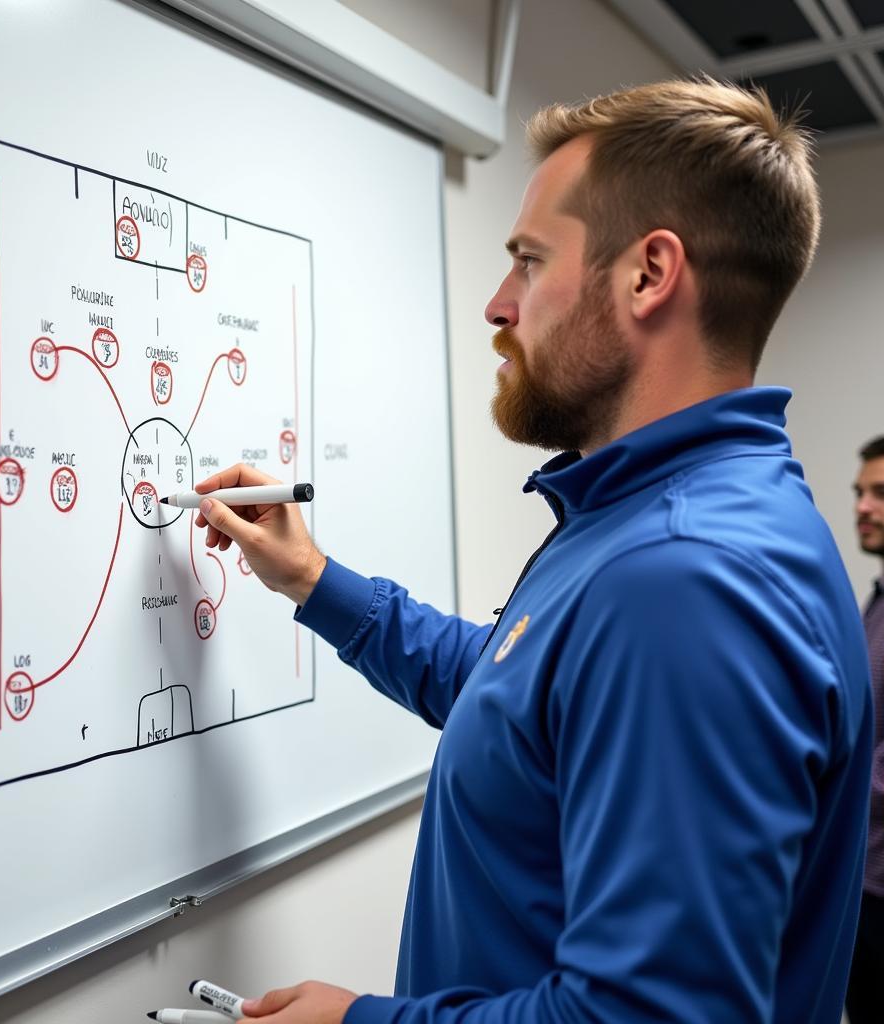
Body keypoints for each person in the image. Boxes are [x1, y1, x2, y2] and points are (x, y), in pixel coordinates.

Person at [194, 79, 872, 1023]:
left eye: (527, 261)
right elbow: (528, 701)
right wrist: (316, 582)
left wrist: (360, 1023)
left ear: (649, 274)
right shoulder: (674, 510)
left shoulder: (684, 580)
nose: (497, 304)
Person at [845, 437, 884, 1023]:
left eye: (880, 493)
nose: (862, 506)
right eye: (859, 492)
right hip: (862, 883)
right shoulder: (875, 603)